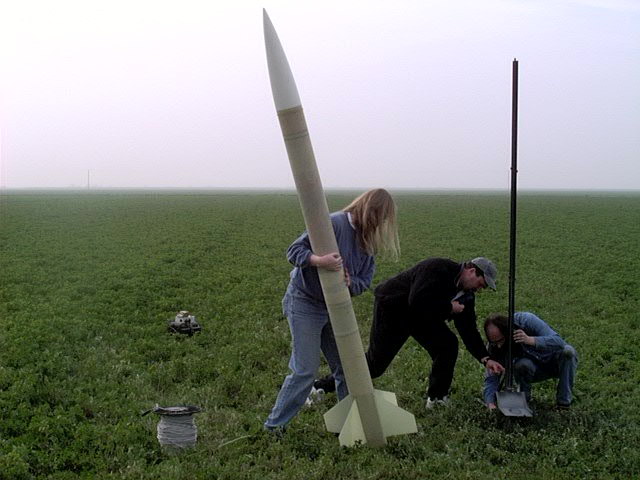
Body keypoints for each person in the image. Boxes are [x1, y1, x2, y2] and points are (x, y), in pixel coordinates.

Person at [264, 188, 400, 432]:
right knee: (305, 370)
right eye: (378, 217)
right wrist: (319, 261)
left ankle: (349, 426)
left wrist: (349, 282)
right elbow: (294, 251)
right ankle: (274, 427)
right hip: (305, 301)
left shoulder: (368, 240)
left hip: (336, 307)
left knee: (347, 368)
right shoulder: (334, 223)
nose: (380, 224)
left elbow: (364, 280)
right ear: (368, 210)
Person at [313, 257, 504, 409]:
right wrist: (448, 307)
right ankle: (320, 386)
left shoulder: (467, 296)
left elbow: (468, 330)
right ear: (471, 271)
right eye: (481, 283)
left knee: (448, 345)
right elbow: (418, 300)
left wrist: (485, 358)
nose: (480, 289)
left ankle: (437, 398)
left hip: (421, 316)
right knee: (375, 364)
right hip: (394, 309)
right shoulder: (438, 268)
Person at [482, 312, 578, 410]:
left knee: (568, 351)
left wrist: (531, 340)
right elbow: (491, 378)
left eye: (500, 340)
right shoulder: (493, 348)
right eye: (494, 343)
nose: (498, 346)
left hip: (554, 363)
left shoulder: (526, 320)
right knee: (522, 364)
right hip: (531, 370)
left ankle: (563, 404)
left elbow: (559, 342)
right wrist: (490, 402)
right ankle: (524, 402)